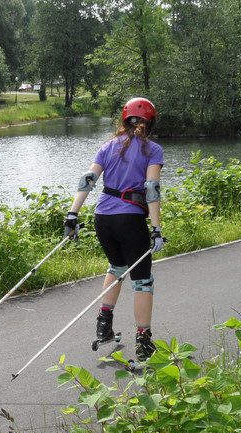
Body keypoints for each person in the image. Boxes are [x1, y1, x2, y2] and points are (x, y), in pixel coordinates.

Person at [63, 97, 166, 363]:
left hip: (103, 219)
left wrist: (72, 214)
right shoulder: (152, 150)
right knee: (142, 280)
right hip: (129, 220)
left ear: (124, 120)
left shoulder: (107, 146)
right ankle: (143, 342)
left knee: (117, 268)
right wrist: (156, 228)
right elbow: (151, 189)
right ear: (150, 122)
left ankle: (104, 324)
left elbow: (88, 180)